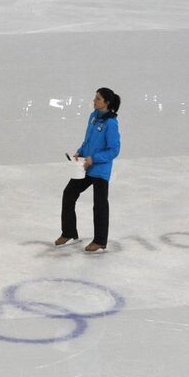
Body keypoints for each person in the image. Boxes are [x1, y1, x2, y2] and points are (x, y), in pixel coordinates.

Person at [54, 88, 122, 254]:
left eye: (98, 99)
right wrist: (80, 152)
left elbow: (114, 150)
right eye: (95, 98)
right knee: (69, 193)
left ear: (106, 102)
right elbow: (87, 141)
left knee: (99, 205)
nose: (94, 101)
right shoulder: (93, 116)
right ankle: (68, 232)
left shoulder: (111, 123)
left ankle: (99, 240)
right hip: (85, 166)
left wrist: (94, 159)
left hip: (100, 169)